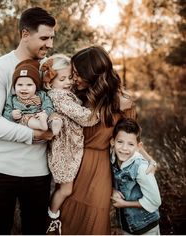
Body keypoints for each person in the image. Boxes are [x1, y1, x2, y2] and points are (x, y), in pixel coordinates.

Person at [60, 45, 157, 235]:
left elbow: (130, 141)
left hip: (98, 171)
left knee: (92, 222)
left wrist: (148, 158)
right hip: (71, 166)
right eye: (74, 73)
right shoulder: (75, 95)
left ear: (94, 74)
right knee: (66, 217)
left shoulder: (123, 104)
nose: (75, 78)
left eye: (79, 74)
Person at [0, 7, 56, 235]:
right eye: (44, 38)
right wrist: (33, 135)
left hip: (38, 173)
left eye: (52, 38)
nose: (50, 44)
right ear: (25, 35)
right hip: (0, 171)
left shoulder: (49, 70)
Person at [40, 54, 100, 234]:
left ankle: (53, 213)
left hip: (67, 149)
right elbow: (85, 117)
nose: (68, 82)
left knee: (63, 188)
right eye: (62, 79)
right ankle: (52, 218)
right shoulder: (59, 97)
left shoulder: (65, 94)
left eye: (70, 78)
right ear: (49, 82)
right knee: (66, 190)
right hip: (64, 152)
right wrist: (100, 109)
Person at [110, 118, 161, 235]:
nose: (124, 148)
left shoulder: (141, 167)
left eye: (130, 144)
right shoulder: (113, 158)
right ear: (112, 142)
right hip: (127, 226)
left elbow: (155, 201)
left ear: (138, 146)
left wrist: (124, 204)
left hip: (146, 227)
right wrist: (112, 190)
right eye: (120, 142)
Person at [2, 59, 62, 134]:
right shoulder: (12, 99)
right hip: (28, 122)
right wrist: (12, 114)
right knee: (25, 118)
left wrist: (45, 113)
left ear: (36, 86)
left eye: (29, 85)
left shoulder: (41, 95)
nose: (24, 88)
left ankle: (55, 124)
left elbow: (48, 105)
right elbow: (6, 113)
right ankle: (40, 125)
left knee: (54, 115)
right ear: (14, 86)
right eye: (20, 85)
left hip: (42, 116)